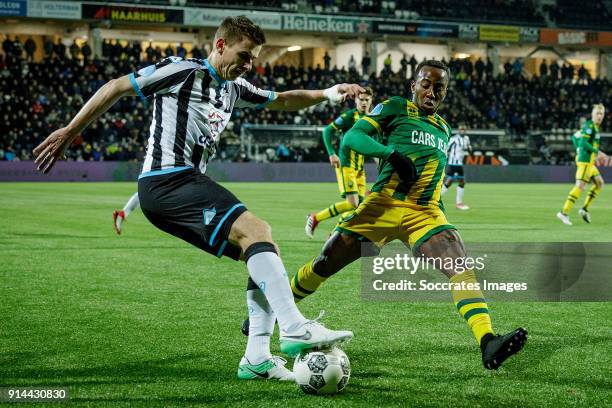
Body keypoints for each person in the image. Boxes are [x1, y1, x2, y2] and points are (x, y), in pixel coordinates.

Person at [34, 16, 360, 381]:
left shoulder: (234, 88)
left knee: (262, 250)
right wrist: (70, 131)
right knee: (256, 229)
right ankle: (295, 327)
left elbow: (283, 100)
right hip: (167, 180)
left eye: (253, 58)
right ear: (221, 46)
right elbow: (116, 86)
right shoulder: (182, 71)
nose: (248, 65)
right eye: (243, 55)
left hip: (179, 185)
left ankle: (256, 359)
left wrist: (329, 94)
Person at [287, 60, 527, 370]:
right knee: (325, 262)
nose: (431, 91)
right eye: (426, 84)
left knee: (460, 268)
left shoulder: (443, 127)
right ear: (413, 85)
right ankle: (269, 312)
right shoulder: (394, 107)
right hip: (382, 205)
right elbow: (352, 139)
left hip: (425, 212)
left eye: (439, 87)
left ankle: (487, 341)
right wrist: (390, 154)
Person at [305, 87, 374, 238]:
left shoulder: (372, 119)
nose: (363, 102)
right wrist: (331, 154)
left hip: (360, 168)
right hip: (346, 165)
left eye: (366, 100)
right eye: (361, 99)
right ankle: (316, 218)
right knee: (353, 204)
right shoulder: (349, 116)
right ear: (356, 100)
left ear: (371, 101)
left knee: (360, 207)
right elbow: (327, 131)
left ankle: (334, 233)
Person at [557, 104, 607, 225]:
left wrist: (578, 148)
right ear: (592, 114)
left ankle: (584, 209)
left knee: (599, 183)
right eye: (597, 113)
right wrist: (596, 152)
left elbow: (575, 137)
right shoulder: (589, 126)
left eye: (601, 114)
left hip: (589, 162)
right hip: (585, 161)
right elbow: (583, 142)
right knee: (580, 186)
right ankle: (563, 213)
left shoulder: (594, 127)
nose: (599, 116)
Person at [441, 124, 472, 210]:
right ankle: (459, 203)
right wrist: (445, 158)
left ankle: (436, 199)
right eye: (461, 129)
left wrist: (469, 148)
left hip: (459, 163)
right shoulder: (454, 139)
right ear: (459, 130)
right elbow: (446, 148)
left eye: (464, 129)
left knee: (451, 182)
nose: (462, 131)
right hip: (453, 163)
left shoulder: (466, 139)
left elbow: (469, 151)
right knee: (460, 182)